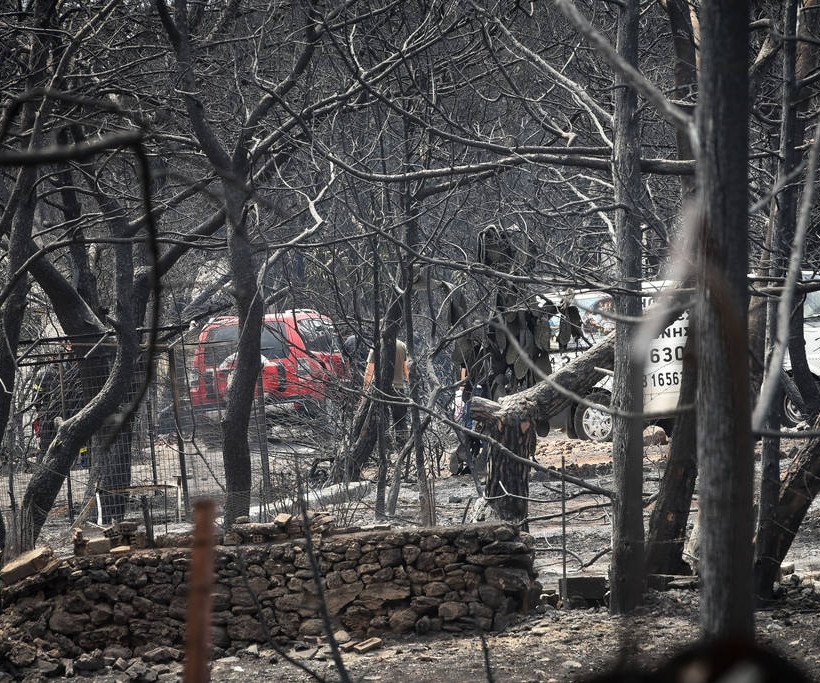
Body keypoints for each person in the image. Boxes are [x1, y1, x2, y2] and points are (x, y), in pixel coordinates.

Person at [362, 338, 410, 451]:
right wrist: (411, 385)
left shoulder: (377, 345)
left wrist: (365, 389)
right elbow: (407, 369)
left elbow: (369, 370)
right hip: (399, 389)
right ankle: (403, 449)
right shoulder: (402, 345)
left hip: (380, 389)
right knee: (400, 420)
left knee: (383, 421)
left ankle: (386, 450)